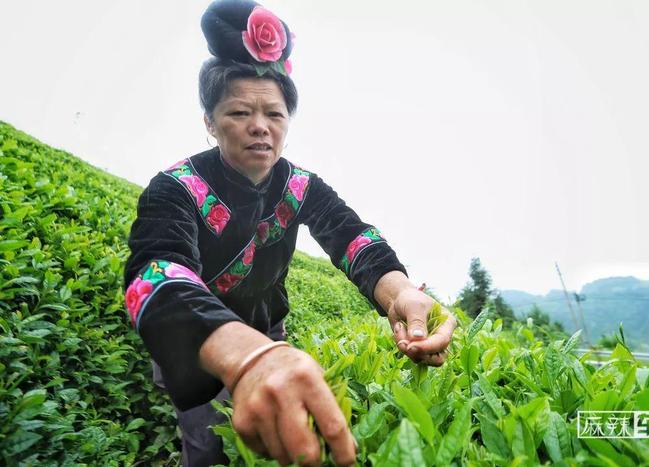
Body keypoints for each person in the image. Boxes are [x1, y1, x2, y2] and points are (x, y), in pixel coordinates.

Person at [123, 0, 457, 465]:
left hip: (267, 331)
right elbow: (154, 275)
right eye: (240, 112)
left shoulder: (300, 186)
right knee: (207, 446)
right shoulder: (176, 188)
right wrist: (246, 358)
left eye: (274, 114)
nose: (260, 126)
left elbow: (352, 238)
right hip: (200, 340)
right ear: (209, 122)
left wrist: (399, 292)